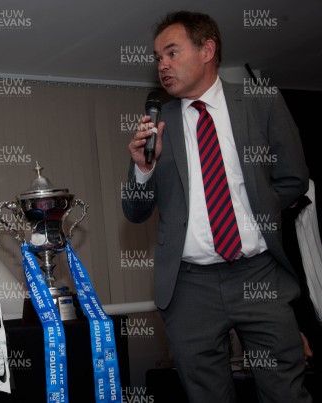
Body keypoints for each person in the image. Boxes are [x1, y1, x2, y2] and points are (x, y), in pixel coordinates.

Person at [122, 10, 312, 403]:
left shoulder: (260, 103)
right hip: (189, 287)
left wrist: (253, 217)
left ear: (207, 49)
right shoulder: (156, 127)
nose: (163, 65)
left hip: (259, 274)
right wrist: (142, 172)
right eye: (158, 58)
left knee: (285, 392)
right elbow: (135, 211)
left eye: (171, 53)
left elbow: (293, 177)